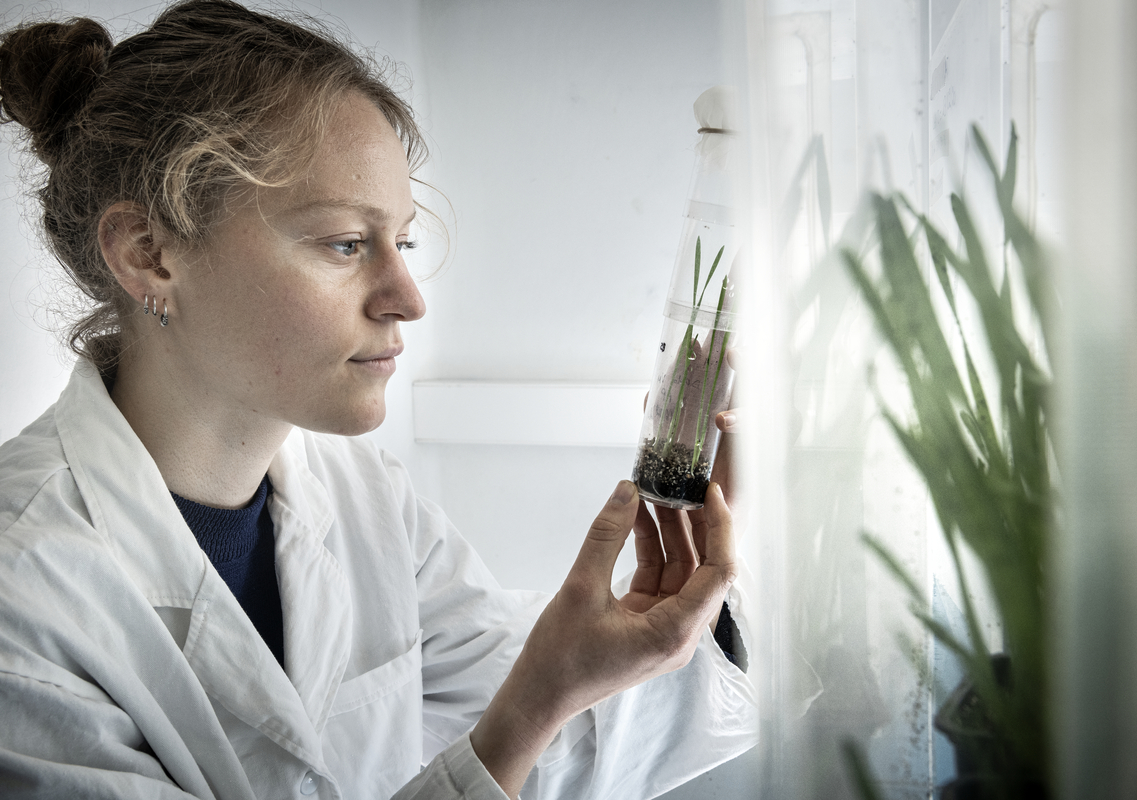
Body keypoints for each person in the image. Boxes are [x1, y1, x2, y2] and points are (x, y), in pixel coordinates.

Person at [0, 2, 756, 798]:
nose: (406, 298)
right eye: (345, 243)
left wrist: (694, 614)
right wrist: (536, 703)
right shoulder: (24, 596)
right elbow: (521, 723)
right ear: (149, 254)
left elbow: (553, 751)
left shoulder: (365, 501)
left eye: (404, 243)